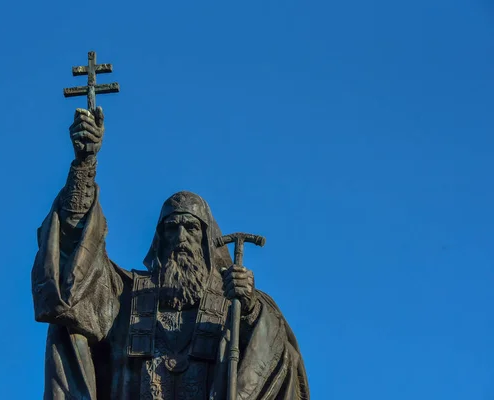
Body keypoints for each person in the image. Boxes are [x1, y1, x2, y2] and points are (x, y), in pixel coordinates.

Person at [31, 107, 310, 399]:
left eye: (191, 228)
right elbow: (76, 273)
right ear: (159, 238)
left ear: (207, 240)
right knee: (67, 325)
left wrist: (250, 306)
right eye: (171, 228)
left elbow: (274, 347)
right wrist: (84, 166)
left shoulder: (234, 305)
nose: (180, 237)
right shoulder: (125, 297)